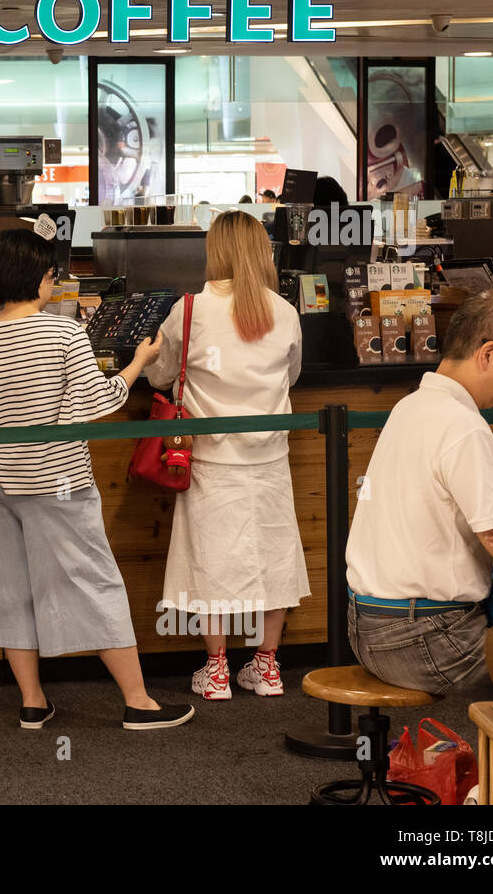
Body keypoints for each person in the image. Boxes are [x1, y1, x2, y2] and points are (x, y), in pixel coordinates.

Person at [0, 229, 195, 732]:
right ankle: (139, 702)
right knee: (94, 581)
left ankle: (32, 701)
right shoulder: (63, 333)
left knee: (9, 589)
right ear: (38, 280)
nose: (54, 281)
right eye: (51, 274)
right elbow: (96, 402)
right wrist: (139, 363)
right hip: (59, 481)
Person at [346, 286, 493, 694]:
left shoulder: (411, 406)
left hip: (366, 628)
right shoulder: (464, 428)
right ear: (489, 354)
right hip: (429, 640)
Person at [144, 209, 308, 700]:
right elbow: (292, 376)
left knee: (210, 560)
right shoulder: (285, 312)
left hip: (211, 459)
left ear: (215, 251)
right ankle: (267, 666)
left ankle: (216, 671)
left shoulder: (190, 309)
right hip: (271, 459)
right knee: (275, 558)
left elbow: (160, 375)